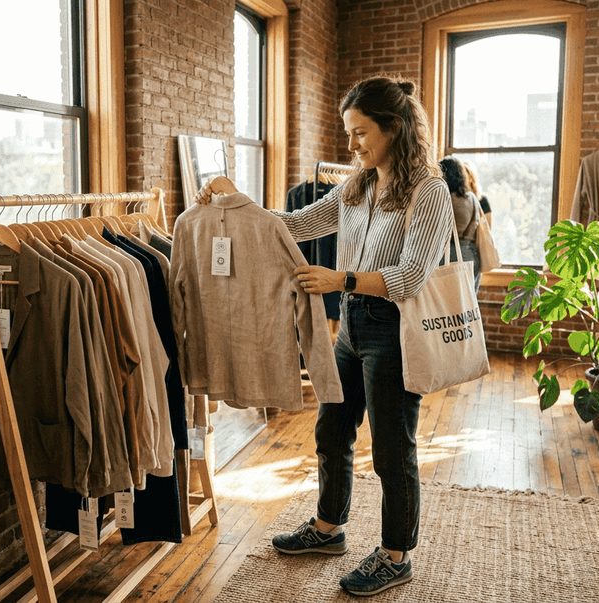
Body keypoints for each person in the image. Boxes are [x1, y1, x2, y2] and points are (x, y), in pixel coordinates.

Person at [193, 75, 454, 597]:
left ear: (394, 128)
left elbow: (410, 276)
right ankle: (329, 529)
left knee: (390, 448)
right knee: (332, 433)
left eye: (360, 133)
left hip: (392, 330)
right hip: (352, 327)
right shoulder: (358, 185)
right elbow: (294, 223)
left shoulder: (430, 191)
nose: (351, 145)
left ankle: (396, 555)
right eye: (349, 133)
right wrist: (234, 204)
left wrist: (341, 280)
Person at [439, 156, 481, 292]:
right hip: (471, 255)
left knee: (448, 307)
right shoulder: (472, 198)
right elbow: (476, 224)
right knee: (468, 307)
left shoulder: (444, 198)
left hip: (449, 256)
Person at [462, 160, 492, 226]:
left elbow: (487, 229)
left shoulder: (483, 201)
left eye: (465, 176)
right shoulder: (458, 201)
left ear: (472, 178)